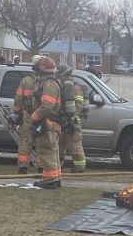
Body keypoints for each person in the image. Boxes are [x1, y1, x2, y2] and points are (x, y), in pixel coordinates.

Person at [30, 56, 64, 189]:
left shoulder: (49, 85)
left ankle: (50, 180)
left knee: (46, 151)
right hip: (52, 123)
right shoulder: (53, 82)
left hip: (47, 123)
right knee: (53, 151)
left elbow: (47, 106)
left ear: (41, 71)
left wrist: (34, 117)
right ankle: (55, 178)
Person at [10, 57, 44, 174]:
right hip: (41, 115)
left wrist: (16, 112)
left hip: (28, 114)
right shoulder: (47, 81)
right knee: (41, 140)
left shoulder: (26, 80)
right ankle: (41, 167)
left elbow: (18, 98)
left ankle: (23, 167)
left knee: (25, 140)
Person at [57, 65, 88, 173]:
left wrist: (71, 117)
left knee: (75, 144)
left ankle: (79, 167)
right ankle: (58, 167)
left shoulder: (75, 88)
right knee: (60, 144)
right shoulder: (62, 86)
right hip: (62, 121)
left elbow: (79, 104)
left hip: (72, 122)